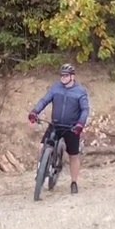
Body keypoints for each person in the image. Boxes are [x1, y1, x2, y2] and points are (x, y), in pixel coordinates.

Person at [28, 63, 90, 194]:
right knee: (41, 147)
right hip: (55, 124)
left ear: (72, 77)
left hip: (72, 127)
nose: (63, 77)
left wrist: (80, 125)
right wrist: (35, 112)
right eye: (61, 75)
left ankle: (74, 182)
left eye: (66, 75)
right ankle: (41, 171)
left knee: (73, 155)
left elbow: (85, 110)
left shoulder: (80, 91)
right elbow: (44, 100)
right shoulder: (56, 88)